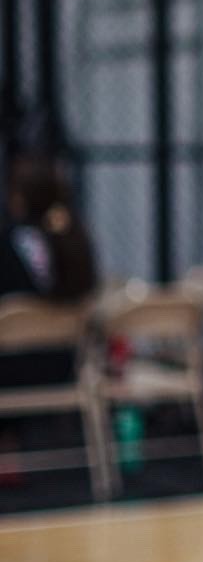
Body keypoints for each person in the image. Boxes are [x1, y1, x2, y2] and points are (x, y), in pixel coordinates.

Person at [0, 155, 100, 394]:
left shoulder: (11, 245)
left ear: (19, 198)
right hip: (64, 364)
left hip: (14, 367)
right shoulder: (75, 240)